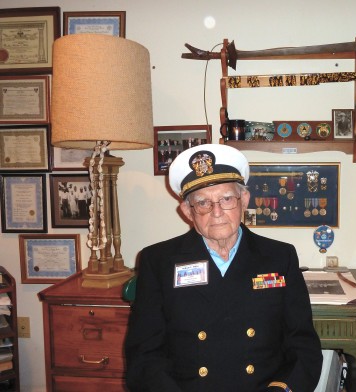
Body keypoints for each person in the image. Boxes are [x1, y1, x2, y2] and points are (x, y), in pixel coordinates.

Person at [125, 144, 323, 392]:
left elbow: (303, 345)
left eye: (226, 199)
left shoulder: (279, 257)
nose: (216, 212)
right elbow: (144, 354)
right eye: (203, 203)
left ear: (245, 200)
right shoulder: (158, 261)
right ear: (187, 211)